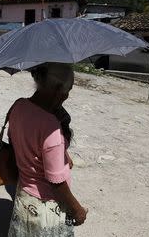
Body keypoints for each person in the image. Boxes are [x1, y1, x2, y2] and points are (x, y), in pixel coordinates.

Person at [8, 63, 87, 237]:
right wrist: (77, 210)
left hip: (23, 198)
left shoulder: (18, 106)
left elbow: (15, 141)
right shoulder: (51, 125)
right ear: (58, 89)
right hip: (47, 208)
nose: (67, 96)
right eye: (68, 90)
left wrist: (61, 153)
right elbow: (55, 182)